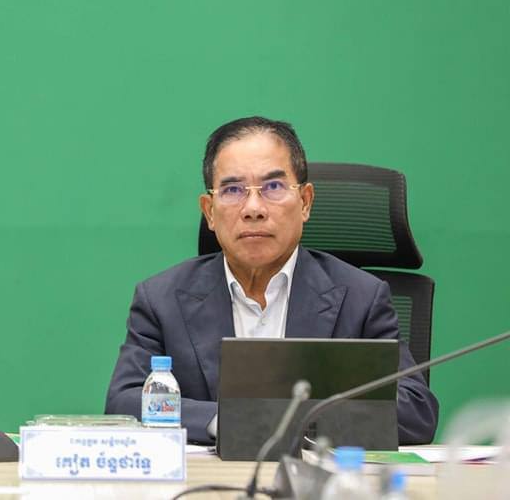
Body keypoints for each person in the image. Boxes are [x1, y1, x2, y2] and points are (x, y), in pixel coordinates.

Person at [105, 116, 438, 444]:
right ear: (209, 211)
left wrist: (291, 420)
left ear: (305, 202)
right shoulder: (161, 300)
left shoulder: (361, 298)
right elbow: (125, 402)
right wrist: (226, 421)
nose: (253, 208)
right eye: (232, 190)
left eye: (273, 187)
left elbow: (415, 411)